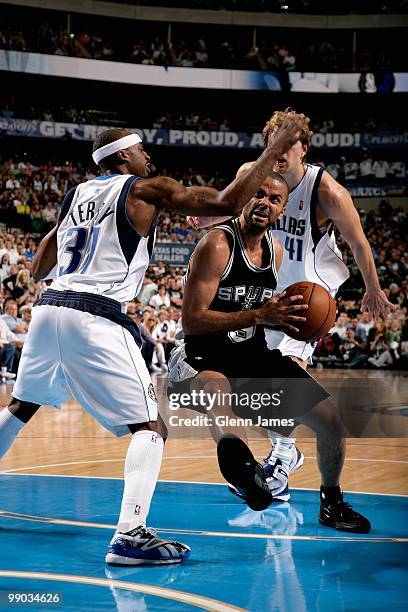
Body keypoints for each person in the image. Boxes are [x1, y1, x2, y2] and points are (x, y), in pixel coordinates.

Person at [0, 114, 306, 565]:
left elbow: (40, 268)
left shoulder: (75, 197)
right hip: (94, 314)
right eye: (142, 150)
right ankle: (130, 534)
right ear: (124, 155)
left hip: (47, 310)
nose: (149, 157)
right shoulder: (144, 188)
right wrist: (272, 149)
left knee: (21, 406)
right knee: (151, 427)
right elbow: (227, 201)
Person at [188, 107, 394, 503]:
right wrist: (208, 215)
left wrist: (372, 288)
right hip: (262, 290)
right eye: (274, 142)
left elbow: (359, 242)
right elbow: (229, 204)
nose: (280, 150)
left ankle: (282, 457)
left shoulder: (326, 190)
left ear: (303, 148)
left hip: (306, 295)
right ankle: (286, 451)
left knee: (283, 378)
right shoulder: (254, 173)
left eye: (288, 143)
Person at [169, 172, 370, 533]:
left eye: (274, 199)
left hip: (251, 354)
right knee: (219, 393)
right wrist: (261, 315)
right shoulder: (217, 245)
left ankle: (332, 502)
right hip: (201, 355)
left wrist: (283, 321)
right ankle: (247, 474)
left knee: (331, 423)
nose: (265, 202)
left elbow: (256, 314)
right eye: (258, 194)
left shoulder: (275, 252)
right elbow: (192, 321)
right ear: (244, 196)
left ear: (281, 209)